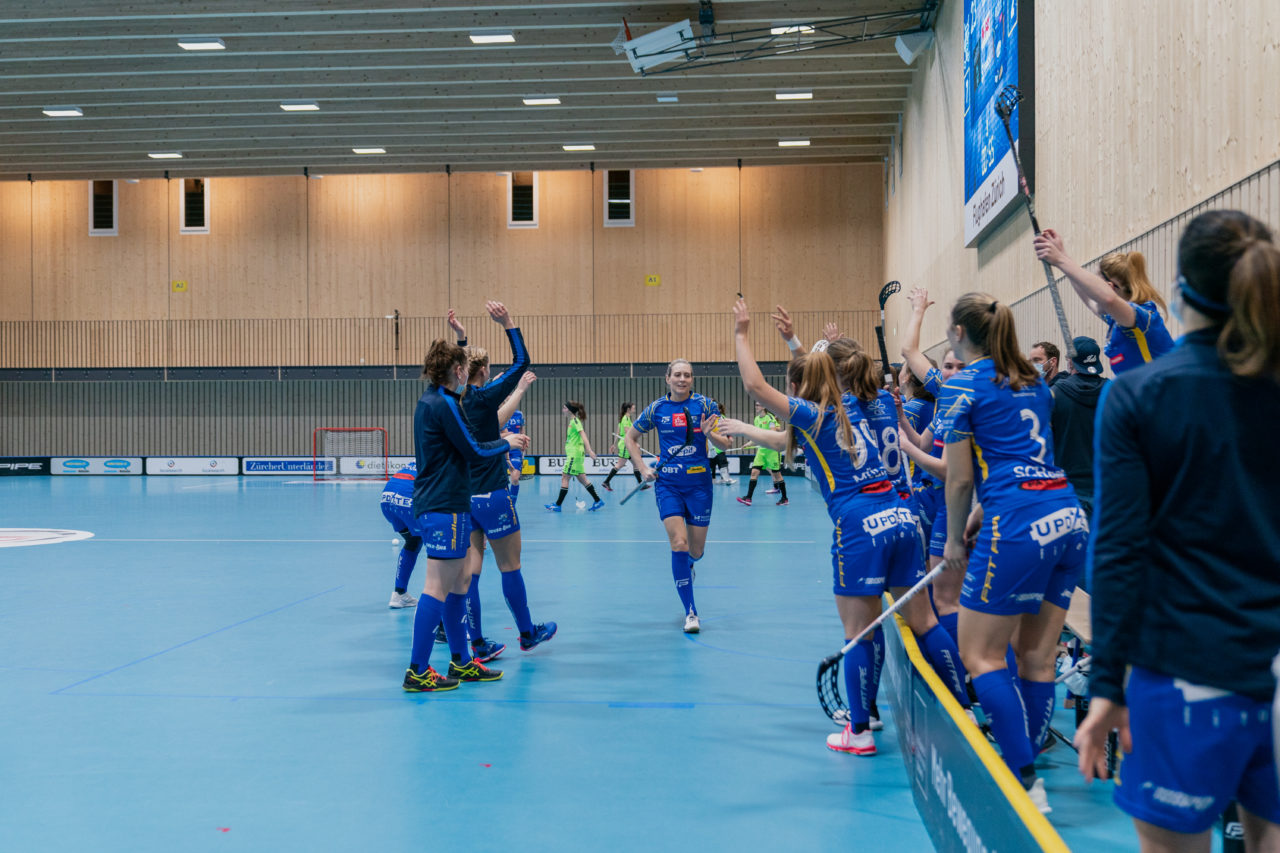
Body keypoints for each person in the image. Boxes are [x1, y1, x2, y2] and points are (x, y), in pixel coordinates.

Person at [1076, 210, 1280, 851]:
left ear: (1181, 289)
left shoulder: (1138, 397)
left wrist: (1107, 682)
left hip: (1187, 674)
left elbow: (1118, 551)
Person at [719, 298, 968, 757]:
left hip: (860, 524)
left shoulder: (820, 416)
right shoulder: (883, 405)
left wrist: (741, 332)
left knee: (859, 632)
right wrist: (804, 345)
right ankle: (966, 710)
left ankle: (859, 729)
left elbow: (756, 386)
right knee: (926, 621)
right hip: (902, 514)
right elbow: (826, 376)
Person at [936, 293, 1089, 813]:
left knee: (979, 654)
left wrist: (956, 539)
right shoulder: (1034, 380)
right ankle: (1029, 762)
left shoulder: (960, 385)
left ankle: (1023, 780)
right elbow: (1022, 455)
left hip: (1019, 523)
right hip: (1066, 515)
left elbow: (958, 480)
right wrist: (989, 505)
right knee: (1039, 658)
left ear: (958, 332)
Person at [402, 337, 529, 692]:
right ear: (457, 371)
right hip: (443, 506)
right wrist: (508, 441)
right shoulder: (443, 404)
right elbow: (473, 450)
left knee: (459, 583)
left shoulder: (433, 400)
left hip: (450, 504)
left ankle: (460, 662)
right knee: (437, 588)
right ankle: (417, 670)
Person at [452, 305, 554, 663]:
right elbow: (522, 360)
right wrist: (508, 323)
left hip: (463, 498)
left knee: (469, 574)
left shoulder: (453, 400)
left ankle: (476, 642)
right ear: (483, 371)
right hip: (493, 495)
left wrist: (461, 337)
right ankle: (527, 633)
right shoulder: (483, 395)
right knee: (510, 567)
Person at [625, 358, 730, 633]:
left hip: (700, 486)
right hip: (668, 485)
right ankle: (691, 612)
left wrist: (712, 435)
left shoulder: (706, 406)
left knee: (695, 550)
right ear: (667, 378)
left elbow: (726, 443)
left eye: (688, 375)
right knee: (679, 544)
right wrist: (642, 467)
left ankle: (689, 565)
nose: (682, 379)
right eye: (678, 375)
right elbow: (630, 438)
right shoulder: (657, 409)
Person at [898, 286, 966, 645]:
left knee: (948, 594)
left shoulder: (966, 398)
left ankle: (962, 663)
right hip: (934, 498)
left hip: (958, 503)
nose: (952, 372)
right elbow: (924, 442)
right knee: (935, 584)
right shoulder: (943, 395)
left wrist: (907, 449)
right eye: (947, 366)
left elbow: (946, 469)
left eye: (960, 366)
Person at [1033, 231, 1175, 373]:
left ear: (1109, 287)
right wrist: (1062, 254)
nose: (1093, 294)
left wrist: (1060, 260)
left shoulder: (1141, 318)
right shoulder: (1117, 320)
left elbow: (1109, 300)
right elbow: (1090, 300)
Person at [1049, 336, 1107, 519]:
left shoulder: (1054, 394)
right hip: (1106, 490)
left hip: (1067, 491)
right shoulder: (1113, 391)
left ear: (1070, 362)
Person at [546, 401, 604, 512]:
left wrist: (590, 450)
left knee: (565, 477)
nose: (563, 410)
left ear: (569, 410)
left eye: (564, 408)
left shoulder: (575, 421)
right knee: (583, 479)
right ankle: (598, 500)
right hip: (576, 455)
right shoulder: (572, 422)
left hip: (574, 455)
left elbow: (583, 435)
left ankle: (558, 505)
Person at [381, 461, 420, 608]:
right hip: (406, 500)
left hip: (386, 499)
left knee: (413, 541)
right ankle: (435, 597)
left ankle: (399, 594)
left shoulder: (419, 458)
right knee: (437, 550)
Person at [736, 401, 787, 506]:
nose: (756, 407)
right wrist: (748, 444)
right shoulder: (756, 419)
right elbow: (756, 436)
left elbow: (773, 433)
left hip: (772, 451)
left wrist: (764, 440)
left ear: (763, 406)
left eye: (758, 405)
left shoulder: (770, 418)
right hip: (761, 452)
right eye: (755, 405)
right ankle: (748, 498)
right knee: (754, 472)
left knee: (777, 475)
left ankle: (785, 498)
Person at [498, 371, 536, 501]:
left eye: (510, 395)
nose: (508, 397)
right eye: (506, 395)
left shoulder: (519, 414)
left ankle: (512, 504)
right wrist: (508, 435)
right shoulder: (498, 413)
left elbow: (522, 430)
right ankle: (504, 502)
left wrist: (523, 441)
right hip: (500, 449)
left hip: (514, 450)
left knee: (514, 478)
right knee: (501, 480)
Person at [601, 402, 643, 491]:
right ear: (628, 409)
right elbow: (628, 433)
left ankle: (641, 484)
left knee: (635, 464)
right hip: (626, 445)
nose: (634, 409)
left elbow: (618, 432)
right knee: (620, 464)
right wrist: (636, 444)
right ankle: (606, 482)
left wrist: (614, 444)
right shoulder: (626, 419)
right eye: (633, 408)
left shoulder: (624, 418)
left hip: (627, 445)